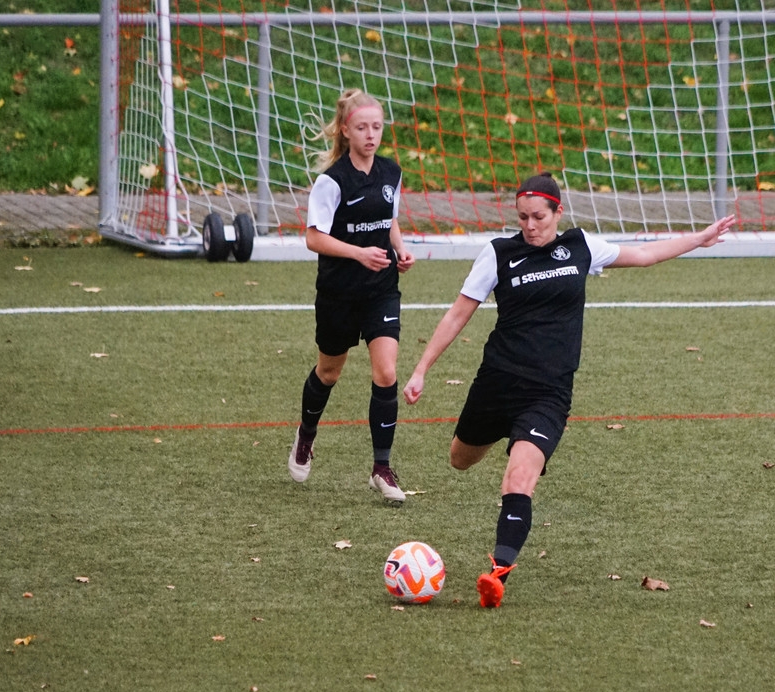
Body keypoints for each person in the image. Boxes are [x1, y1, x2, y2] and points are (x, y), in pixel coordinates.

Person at [403, 172, 735, 606]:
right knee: (459, 460)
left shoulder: (581, 246)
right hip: (497, 384)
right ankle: (496, 437)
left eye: (538, 217)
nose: (530, 226)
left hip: (548, 394)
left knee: (520, 476)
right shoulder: (499, 254)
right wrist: (421, 369)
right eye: (522, 217)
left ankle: (498, 573)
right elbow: (457, 314)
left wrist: (699, 239)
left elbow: (644, 254)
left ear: (558, 212)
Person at [287, 88, 415, 503]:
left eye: (376, 127)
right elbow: (313, 238)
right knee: (329, 372)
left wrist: (400, 248)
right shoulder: (332, 181)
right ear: (345, 130)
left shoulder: (391, 172)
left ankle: (382, 468)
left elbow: (388, 219)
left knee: (386, 373)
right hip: (339, 293)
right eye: (362, 127)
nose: (371, 134)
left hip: (381, 290)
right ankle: (306, 434)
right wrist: (358, 253)